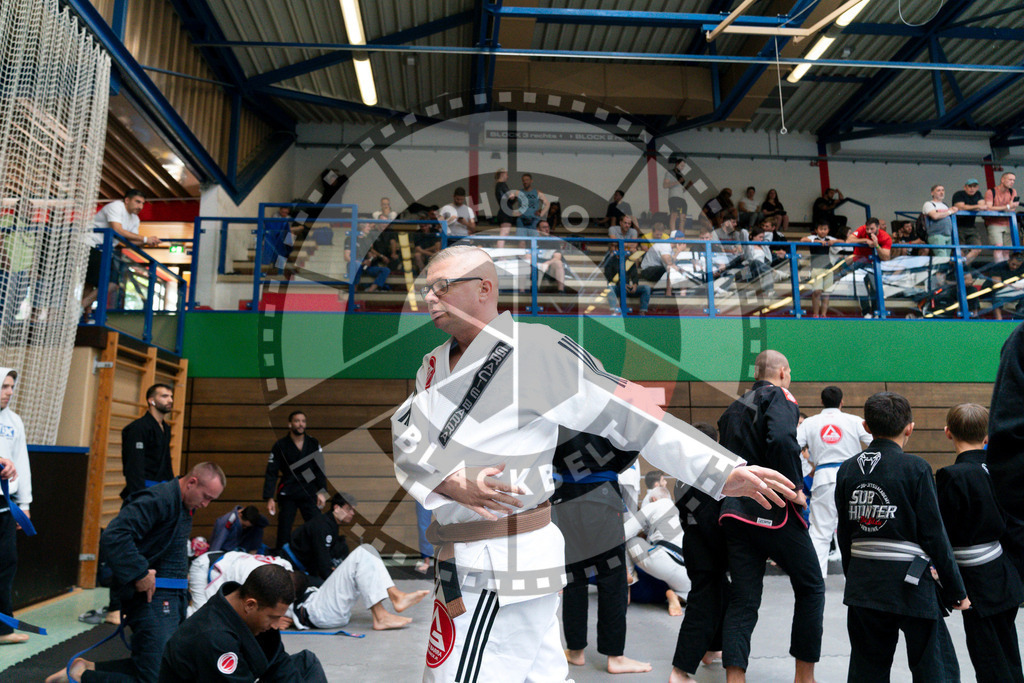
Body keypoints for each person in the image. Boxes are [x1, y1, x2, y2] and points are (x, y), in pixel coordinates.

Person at [391, 245, 797, 682]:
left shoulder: (535, 349)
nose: (429, 298)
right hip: (466, 551)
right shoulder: (431, 366)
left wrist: (720, 468)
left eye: (441, 287)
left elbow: (632, 410)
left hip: (500, 560)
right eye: (426, 288)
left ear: (484, 289)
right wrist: (451, 480)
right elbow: (407, 439)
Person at [49, 463, 226, 683]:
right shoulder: (158, 499)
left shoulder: (182, 503)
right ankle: (81, 678)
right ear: (192, 482)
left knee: (165, 667)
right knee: (155, 679)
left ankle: (85, 669)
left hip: (172, 599)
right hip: (153, 599)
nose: (206, 504)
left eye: (212, 499)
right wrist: (139, 573)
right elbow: (115, 535)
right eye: (206, 496)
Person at [835, 392, 969, 682]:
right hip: (910, 583)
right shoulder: (916, 468)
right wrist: (956, 590)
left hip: (865, 583)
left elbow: (844, 534)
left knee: (867, 668)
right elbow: (935, 536)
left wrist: (854, 577)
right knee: (932, 666)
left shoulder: (847, 470)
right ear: (910, 427)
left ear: (866, 427)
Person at [716, 350, 824, 683]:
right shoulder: (779, 395)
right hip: (770, 506)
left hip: (734, 511)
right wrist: (794, 489)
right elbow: (781, 439)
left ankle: (735, 677)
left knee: (744, 597)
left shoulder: (732, 408)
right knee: (811, 587)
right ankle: (804, 677)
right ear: (782, 372)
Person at [935, 403, 1024, 683]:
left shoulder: (952, 475)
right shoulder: (1003, 471)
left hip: (975, 580)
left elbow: (942, 531)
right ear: (987, 436)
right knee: (1008, 651)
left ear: (948, 433)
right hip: (1004, 573)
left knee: (988, 659)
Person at [552, 430, 649, 674]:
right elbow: (631, 444)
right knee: (612, 578)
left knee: (574, 577)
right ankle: (615, 656)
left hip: (565, 497)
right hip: (601, 493)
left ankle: (575, 651)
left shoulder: (562, 403)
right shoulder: (605, 403)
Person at [159, 564, 327, 683]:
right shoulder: (214, 637)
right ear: (250, 605)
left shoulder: (251, 611)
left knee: (306, 663)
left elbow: (278, 663)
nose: (276, 625)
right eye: (273, 617)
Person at [670, 422, 729, 683]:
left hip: (696, 547)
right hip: (705, 551)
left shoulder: (684, 474)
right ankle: (680, 672)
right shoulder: (704, 476)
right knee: (702, 608)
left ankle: (711, 649)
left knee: (722, 596)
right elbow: (708, 521)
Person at [796, 386, 870, 578]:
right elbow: (875, 441)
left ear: (821, 402)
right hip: (853, 478)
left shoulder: (810, 423)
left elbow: (792, 447)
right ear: (841, 402)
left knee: (820, 532)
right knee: (856, 530)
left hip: (824, 478)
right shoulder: (854, 421)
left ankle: (816, 579)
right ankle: (856, 579)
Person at [84, 189, 161, 316]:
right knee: (107, 283)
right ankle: (82, 309)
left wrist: (147, 242)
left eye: (142, 203)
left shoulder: (135, 219)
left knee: (98, 284)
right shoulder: (116, 207)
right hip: (89, 245)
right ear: (127, 200)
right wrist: (146, 239)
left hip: (104, 250)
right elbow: (118, 230)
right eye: (137, 202)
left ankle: (82, 310)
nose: (140, 206)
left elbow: (130, 242)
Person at [263, 410, 328, 551]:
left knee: (317, 526)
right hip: (288, 489)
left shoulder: (312, 443)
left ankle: (319, 561)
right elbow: (271, 472)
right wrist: (269, 497)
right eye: (297, 421)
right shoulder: (281, 445)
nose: (300, 424)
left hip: (309, 488)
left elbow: (320, 469)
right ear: (290, 424)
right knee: (284, 529)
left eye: (303, 421)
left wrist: (322, 491)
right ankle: (281, 561)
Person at [624, 485, 691, 617]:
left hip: (662, 561)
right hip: (686, 573)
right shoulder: (680, 510)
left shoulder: (655, 504)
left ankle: (629, 583)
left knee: (630, 541)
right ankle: (677, 596)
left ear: (653, 499)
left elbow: (624, 532)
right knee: (691, 590)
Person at [0, 368, 31, 645]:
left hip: (5, 505)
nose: (9, 392)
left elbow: (21, 462)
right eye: (4, 386)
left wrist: (25, 503)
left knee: (6, 564)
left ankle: (2, 629)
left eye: (11, 386)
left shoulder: (14, 421)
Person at [121, 384, 175, 500]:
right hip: (142, 489)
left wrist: (172, 488)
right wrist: (138, 496)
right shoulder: (138, 428)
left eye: (171, 396)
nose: (170, 400)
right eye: (164, 396)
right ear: (151, 401)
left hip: (162, 489)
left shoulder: (166, 428)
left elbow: (166, 462)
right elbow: (134, 466)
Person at [285, 492, 355, 581]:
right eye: (348, 509)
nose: (352, 513)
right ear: (336, 508)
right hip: (292, 564)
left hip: (305, 565)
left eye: (353, 510)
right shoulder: (323, 526)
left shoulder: (331, 524)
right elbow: (322, 560)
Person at [845, 217, 893, 318]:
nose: (869, 231)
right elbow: (848, 240)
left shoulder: (886, 237)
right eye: (867, 229)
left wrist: (877, 245)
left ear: (878, 227)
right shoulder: (862, 229)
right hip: (858, 261)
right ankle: (866, 312)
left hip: (874, 264)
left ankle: (876, 312)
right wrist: (865, 240)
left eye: (872, 229)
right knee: (861, 287)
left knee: (875, 288)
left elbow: (886, 257)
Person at [800, 220, 840, 318]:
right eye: (821, 229)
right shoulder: (813, 237)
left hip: (828, 268)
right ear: (816, 230)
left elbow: (843, 241)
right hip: (816, 268)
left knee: (826, 293)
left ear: (828, 230)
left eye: (825, 229)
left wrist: (834, 241)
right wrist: (816, 241)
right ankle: (815, 314)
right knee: (817, 291)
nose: (823, 231)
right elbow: (802, 240)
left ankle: (823, 314)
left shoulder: (829, 238)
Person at [984, 172, 1020, 262]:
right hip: (994, 223)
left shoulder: (1013, 191)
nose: (1012, 182)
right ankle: (999, 270)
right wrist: (1006, 207)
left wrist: (1005, 208)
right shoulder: (991, 192)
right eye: (1010, 180)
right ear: (1002, 180)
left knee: (1006, 250)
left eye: (1013, 180)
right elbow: (988, 208)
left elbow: (1013, 208)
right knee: (998, 247)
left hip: (1008, 223)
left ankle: (1005, 273)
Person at [639, 222, 681, 296]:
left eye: (660, 235)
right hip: (648, 269)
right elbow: (669, 262)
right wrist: (678, 251)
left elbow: (670, 260)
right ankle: (668, 293)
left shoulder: (666, 238)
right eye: (657, 234)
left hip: (658, 265)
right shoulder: (662, 244)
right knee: (670, 268)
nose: (659, 236)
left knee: (677, 269)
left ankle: (679, 293)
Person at [951, 178, 988, 249]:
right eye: (970, 186)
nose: (972, 188)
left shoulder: (978, 194)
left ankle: (965, 260)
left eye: (974, 186)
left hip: (971, 227)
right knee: (960, 249)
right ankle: (961, 259)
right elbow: (960, 207)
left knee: (977, 248)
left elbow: (983, 206)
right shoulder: (959, 194)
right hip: (958, 226)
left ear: (977, 188)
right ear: (965, 187)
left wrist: (969, 207)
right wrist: (977, 206)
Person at [923, 184, 958, 252]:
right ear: (932, 193)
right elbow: (935, 216)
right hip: (936, 235)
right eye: (938, 190)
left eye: (943, 190)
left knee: (947, 259)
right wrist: (950, 211)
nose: (941, 192)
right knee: (941, 258)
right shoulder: (929, 204)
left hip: (947, 235)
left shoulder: (945, 205)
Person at [663, 158, 693, 235]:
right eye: (681, 165)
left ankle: (681, 236)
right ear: (677, 164)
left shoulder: (681, 175)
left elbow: (681, 190)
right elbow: (665, 185)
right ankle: (673, 234)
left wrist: (688, 186)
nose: (682, 168)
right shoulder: (670, 173)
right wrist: (678, 181)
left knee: (683, 218)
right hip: (674, 197)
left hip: (681, 198)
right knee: (674, 215)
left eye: (683, 166)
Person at [412, 208, 442, 276]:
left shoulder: (435, 231)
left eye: (425, 226)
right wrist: (430, 254)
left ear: (429, 225)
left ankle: (434, 274)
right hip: (425, 254)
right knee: (417, 255)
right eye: (421, 226)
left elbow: (437, 246)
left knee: (437, 253)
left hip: (432, 252)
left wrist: (425, 251)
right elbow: (417, 249)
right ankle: (423, 273)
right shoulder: (417, 233)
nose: (423, 228)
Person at [493, 170, 515, 248]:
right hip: (505, 213)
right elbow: (511, 196)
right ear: (502, 174)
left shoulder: (498, 185)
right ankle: (500, 256)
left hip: (504, 212)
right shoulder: (502, 184)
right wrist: (514, 195)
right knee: (503, 235)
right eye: (506, 174)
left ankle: (500, 256)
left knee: (503, 235)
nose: (507, 176)